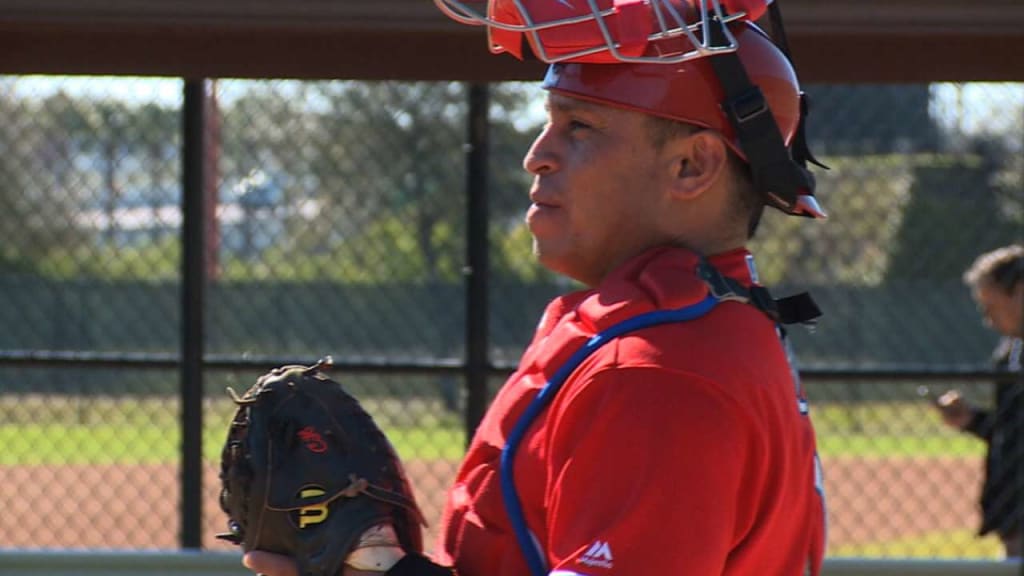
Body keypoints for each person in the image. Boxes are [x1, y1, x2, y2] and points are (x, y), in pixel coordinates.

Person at [245, 1, 828, 574]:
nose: (536, 157)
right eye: (548, 121)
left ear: (691, 167)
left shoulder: (657, 369)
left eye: (579, 126)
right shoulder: (706, 320)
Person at [934, 244, 1024, 558]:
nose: (988, 319)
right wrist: (972, 420)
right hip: (1012, 505)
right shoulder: (1009, 353)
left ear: (1020, 292)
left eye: (992, 307)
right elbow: (1012, 432)